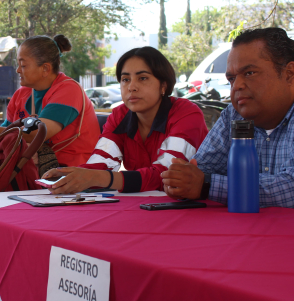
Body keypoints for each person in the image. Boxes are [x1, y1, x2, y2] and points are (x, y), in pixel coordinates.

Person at [161, 28, 294, 215]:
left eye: (249, 73)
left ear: (289, 73)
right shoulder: (235, 114)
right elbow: (201, 169)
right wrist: (181, 181)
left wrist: (206, 185)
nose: (237, 86)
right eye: (232, 79)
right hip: (253, 234)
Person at [43, 47, 209, 194]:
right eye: (125, 79)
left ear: (163, 85)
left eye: (142, 78)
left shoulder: (186, 113)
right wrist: (69, 174)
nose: (131, 87)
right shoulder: (119, 115)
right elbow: (100, 164)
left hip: (201, 209)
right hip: (147, 207)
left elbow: (166, 174)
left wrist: (98, 178)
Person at [0, 35, 101, 167]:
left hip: (75, 174)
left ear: (45, 69)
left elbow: (35, 134)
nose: (18, 70)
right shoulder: (20, 95)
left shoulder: (69, 90)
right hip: (38, 174)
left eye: (23, 65)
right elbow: (6, 137)